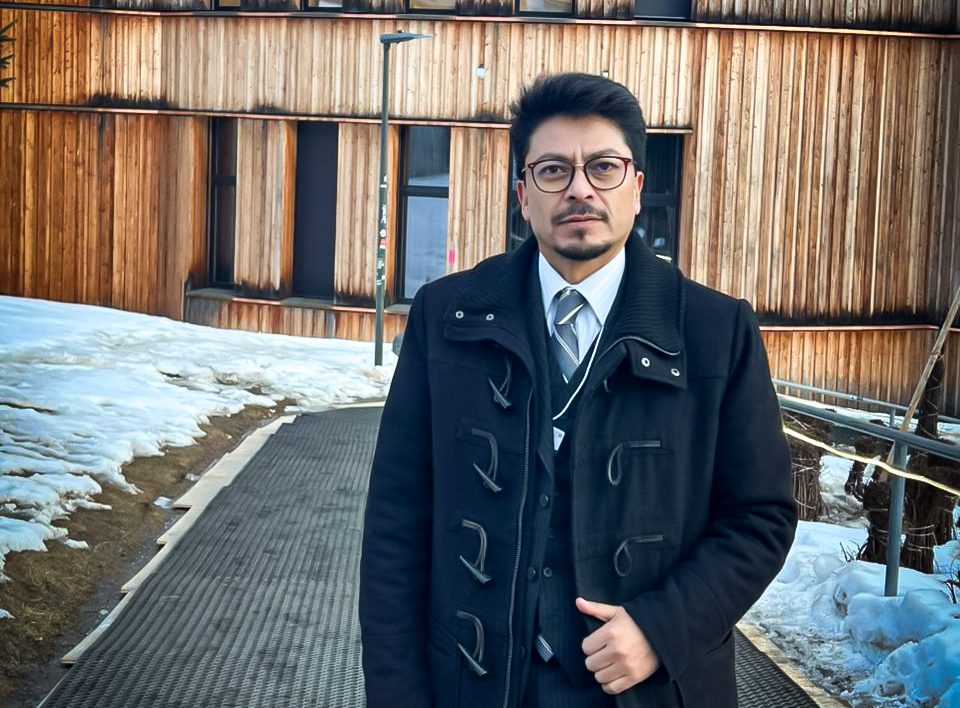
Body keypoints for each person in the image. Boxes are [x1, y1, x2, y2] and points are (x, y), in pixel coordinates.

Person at [359, 72, 797, 708]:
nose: (580, 189)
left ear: (637, 187)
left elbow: (760, 516)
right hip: (473, 685)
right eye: (553, 170)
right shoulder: (446, 317)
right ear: (523, 194)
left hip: (646, 688)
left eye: (604, 167)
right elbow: (396, 524)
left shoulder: (714, 330)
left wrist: (661, 629)